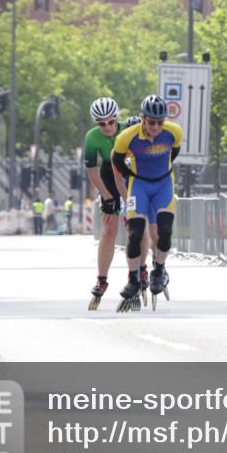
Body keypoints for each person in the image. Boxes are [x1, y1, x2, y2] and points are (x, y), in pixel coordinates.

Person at [111, 94, 183, 312]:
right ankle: (133, 279)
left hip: (163, 185)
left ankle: (159, 270)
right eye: (151, 122)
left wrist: (160, 170)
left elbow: (174, 152)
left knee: (164, 231)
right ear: (143, 118)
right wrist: (131, 175)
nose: (155, 127)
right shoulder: (127, 137)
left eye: (160, 122)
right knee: (135, 233)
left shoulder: (173, 132)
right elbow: (116, 160)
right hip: (139, 186)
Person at [84, 98, 148, 309]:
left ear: (117, 119)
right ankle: (101, 280)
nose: (108, 127)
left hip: (130, 177)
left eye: (111, 122)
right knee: (109, 227)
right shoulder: (92, 138)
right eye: (101, 124)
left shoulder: (127, 131)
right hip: (108, 178)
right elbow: (92, 172)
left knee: (135, 226)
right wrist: (106, 196)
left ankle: (139, 271)